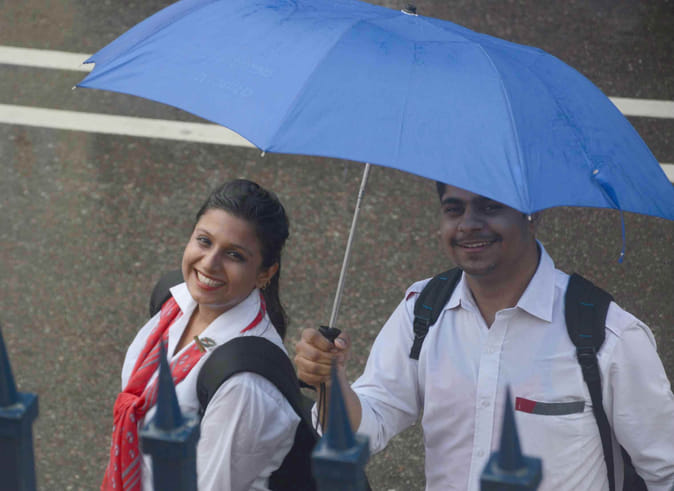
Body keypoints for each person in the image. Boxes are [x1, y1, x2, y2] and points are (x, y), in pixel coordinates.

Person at [295, 182, 674, 491]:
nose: (468, 224)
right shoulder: (423, 311)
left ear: (533, 215)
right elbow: (363, 430)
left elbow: (666, 470)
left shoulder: (607, 335)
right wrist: (331, 381)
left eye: (490, 207)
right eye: (454, 209)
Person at [102, 179, 298, 491]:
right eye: (204, 241)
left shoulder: (245, 387)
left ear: (265, 273)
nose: (209, 263)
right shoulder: (174, 304)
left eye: (234, 255)